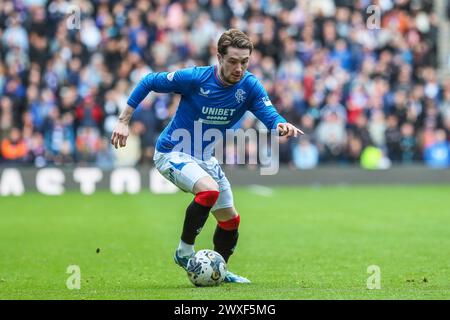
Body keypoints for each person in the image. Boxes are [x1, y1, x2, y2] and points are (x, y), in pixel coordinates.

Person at [110, 29, 303, 283]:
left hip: (204, 158)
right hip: (172, 152)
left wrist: (281, 124)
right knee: (209, 191)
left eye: (245, 62)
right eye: (233, 61)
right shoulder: (195, 78)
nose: (239, 68)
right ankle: (184, 251)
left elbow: (269, 115)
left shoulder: (250, 86)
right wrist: (124, 120)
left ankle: (219, 270)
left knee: (230, 220)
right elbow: (148, 81)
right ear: (219, 57)